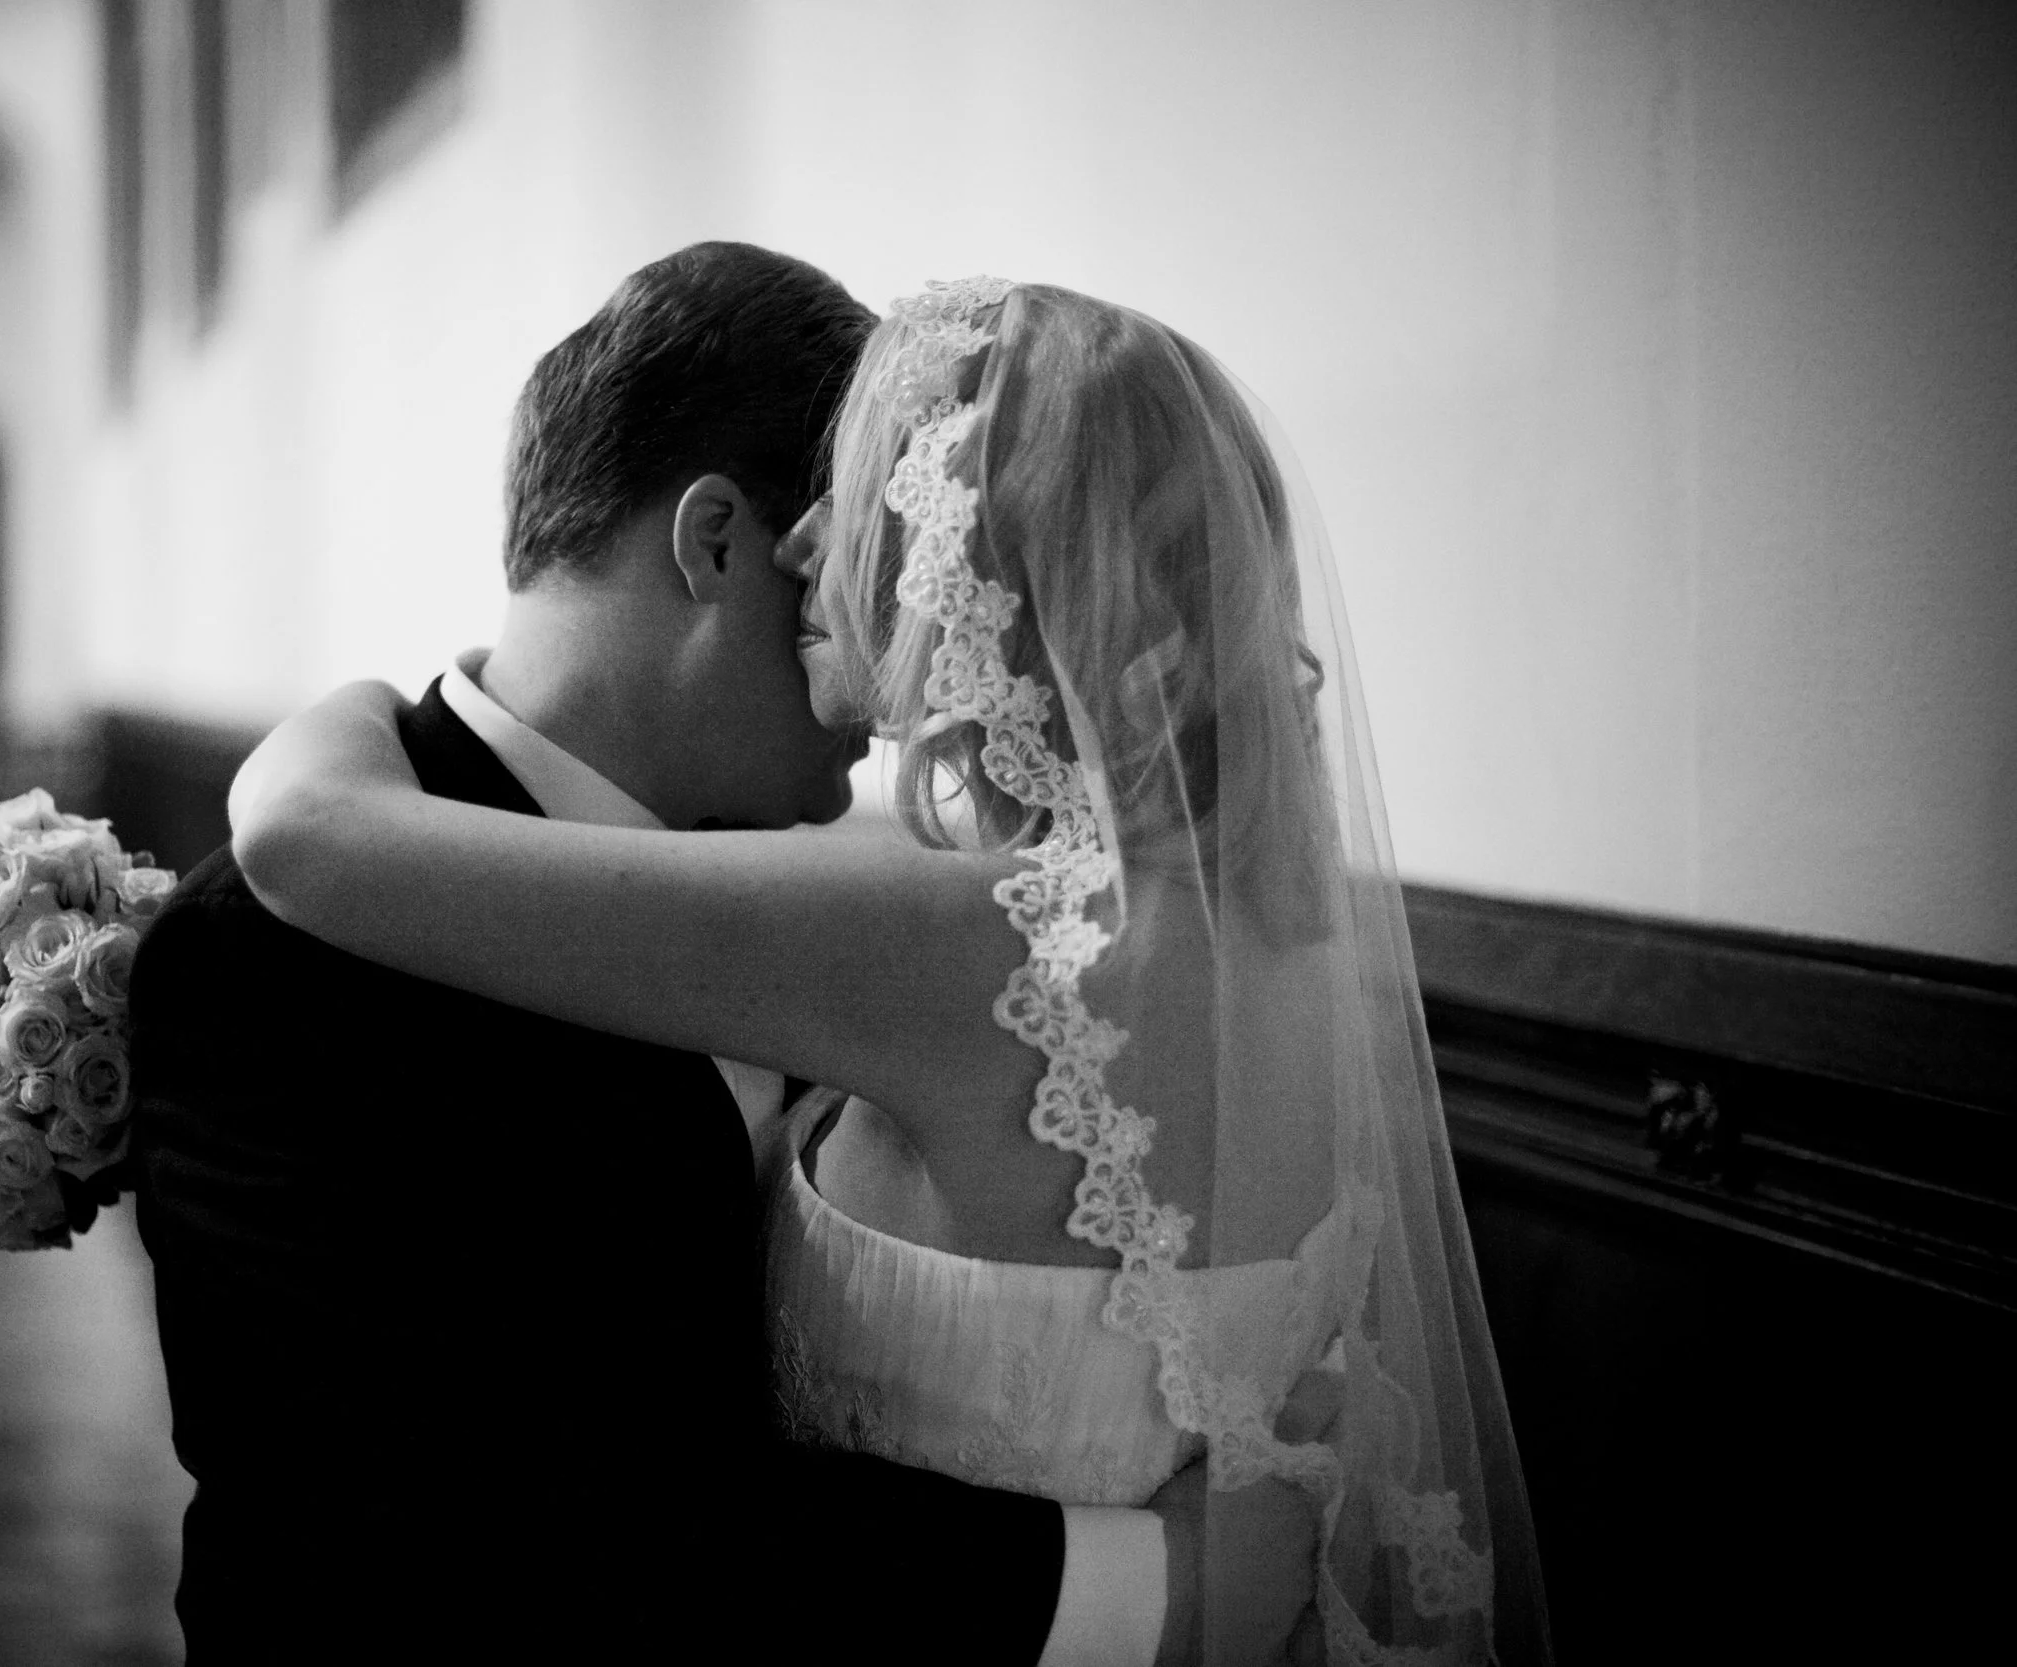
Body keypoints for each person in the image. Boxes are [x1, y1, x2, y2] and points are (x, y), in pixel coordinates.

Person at [232, 277, 1552, 1665]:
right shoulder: (1273, 930)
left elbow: (309, 837)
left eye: (859, 486)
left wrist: (361, 703)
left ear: (968, 551)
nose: (807, 542)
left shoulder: (954, 936)